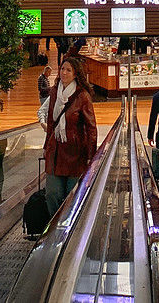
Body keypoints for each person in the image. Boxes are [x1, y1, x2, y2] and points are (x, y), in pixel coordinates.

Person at [39, 57, 97, 219]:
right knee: (52, 193)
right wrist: (46, 147)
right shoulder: (54, 92)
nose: (64, 73)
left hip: (75, 153)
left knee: (73, 195)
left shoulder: (82, 96)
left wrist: (92, 157)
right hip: (55, 151)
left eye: (68, 70)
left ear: (76, 74)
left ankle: (69, 227)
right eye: (63, 69)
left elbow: (91, 128)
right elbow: (51, 122)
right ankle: (55, 226)